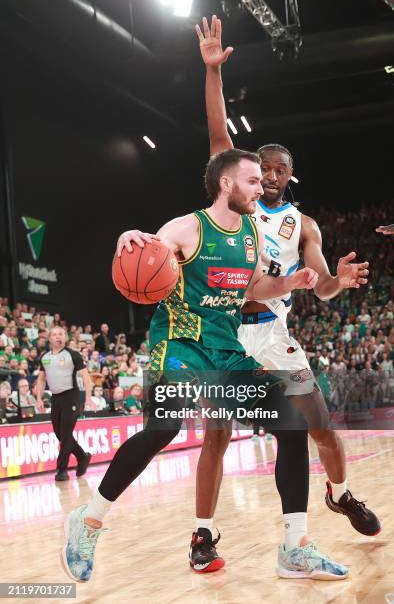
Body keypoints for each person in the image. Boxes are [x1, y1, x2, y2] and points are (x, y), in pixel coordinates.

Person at [61, 148, 330, 582]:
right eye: (253, 181)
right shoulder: (187, 228)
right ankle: (88, 520)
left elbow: (251, 286)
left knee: (292, 424)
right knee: (163, 429)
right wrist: (128, 237)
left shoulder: (252, 235)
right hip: (179, 344)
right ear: (227, 184)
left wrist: (288, 282)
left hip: (224, 350)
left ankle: (294, 548)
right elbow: (150, 251)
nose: (261, 188)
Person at [192, 15, 380, 577]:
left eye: (279, 171)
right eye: (263, 169)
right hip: (227, 331)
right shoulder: (237, 200)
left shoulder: (304, 225)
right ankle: (202, 535)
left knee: (320, 425)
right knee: (217, 435)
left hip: (274, 332)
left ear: (290, 177)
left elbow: (319, 285)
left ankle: (340, 494)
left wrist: (336, 281)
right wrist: (211, 75)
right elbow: (217, 134)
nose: (270, 176)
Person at [36, 327, 92, 481]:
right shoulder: (44, 357)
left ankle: (62, 470)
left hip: (71, 397)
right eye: (54, 334)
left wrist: (88, 398)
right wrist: (39, 398)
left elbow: (86, 377)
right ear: (50, 338)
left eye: (61, 334)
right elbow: (41, 379)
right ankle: (82, 457)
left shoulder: (72, 354)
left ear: (65, 337)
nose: (57, 337)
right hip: (55, 398)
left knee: (66, 435)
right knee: (60, 434)